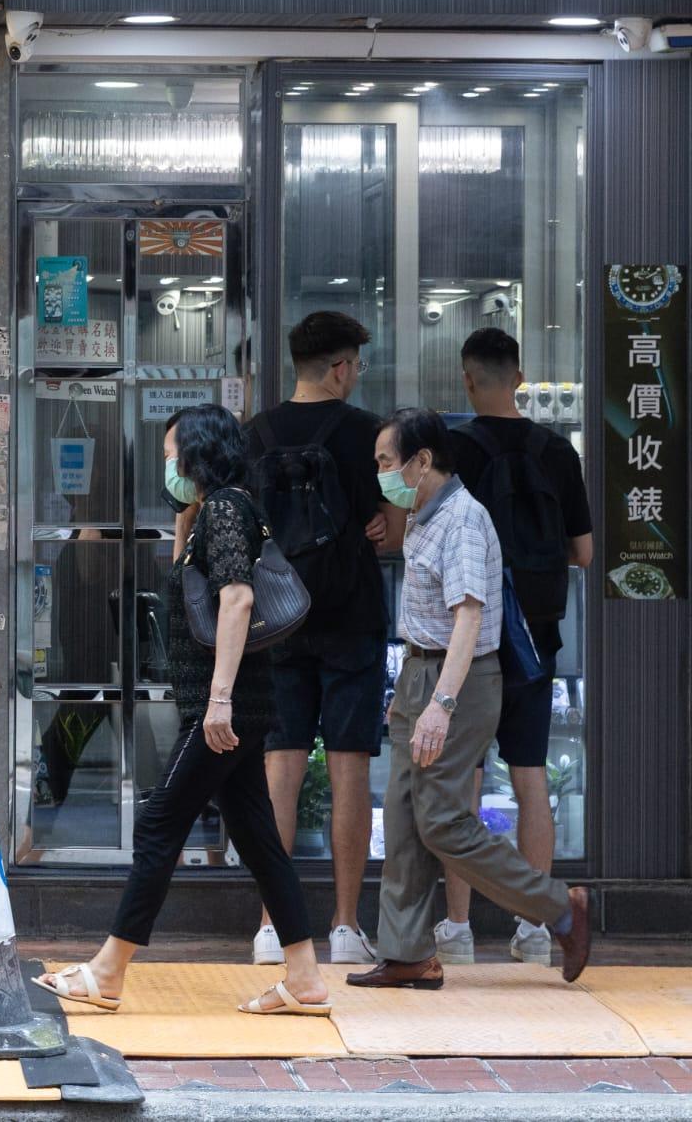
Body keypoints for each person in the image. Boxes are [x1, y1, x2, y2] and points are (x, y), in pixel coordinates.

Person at [36, 406, 330, 1018]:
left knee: (158, 822)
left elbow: (237, 600)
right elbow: (187, 590)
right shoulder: (214, 511)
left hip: (223, 709)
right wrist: (183, 516)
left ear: (199, 454)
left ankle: (108, 971)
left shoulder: (225, 509)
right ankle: (304, 978)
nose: (167, 466)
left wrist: (219, 700)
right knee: (258, 839)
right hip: (233, 706)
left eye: (173, 455)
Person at [347, 409, 591, 990]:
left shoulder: (461, 519)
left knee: (441, 822)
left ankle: (559, 908)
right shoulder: (423, 515)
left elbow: (469, 618)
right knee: (404, 817)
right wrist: (410, 692)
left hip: (457, 681)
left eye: (386, 461)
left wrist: (440, 704)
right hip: (421, 672)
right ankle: (406, 952)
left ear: (421, 461)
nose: (380, 474)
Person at [245, 312, 401, 966]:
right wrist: (378, 526)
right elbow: (393, 530)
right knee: (349, 771)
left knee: (278, 773)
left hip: (277, 621)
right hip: (350, 619)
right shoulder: (368, 434)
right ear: (339, 368)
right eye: (355, 364)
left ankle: (271, 929)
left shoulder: (256, 433)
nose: (356, 374)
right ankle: (343, 926)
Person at [434, 329, 593, 966]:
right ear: (519, 378)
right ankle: (536, 930)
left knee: (462, 783)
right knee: (530, 776)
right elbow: (584, 552)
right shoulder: (557, 451)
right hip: (535, 638)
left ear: (467, 379)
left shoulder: (454, 450)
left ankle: (458, 929)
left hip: (470, 640)